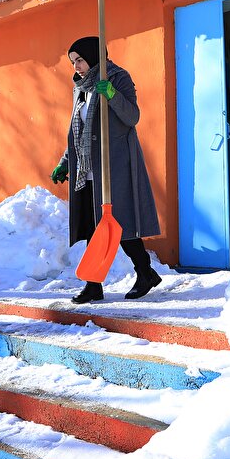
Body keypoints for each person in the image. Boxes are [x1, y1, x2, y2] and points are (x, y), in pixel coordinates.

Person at [51, 36, 162, 303]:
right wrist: (66, 161)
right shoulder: (81, 87)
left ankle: (145, 272)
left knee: (119, 222)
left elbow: (132, 117)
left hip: (115, 164)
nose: (76, 66)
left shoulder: (118, 77)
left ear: (93, 55)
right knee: (92, 225)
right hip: (87, 168)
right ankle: (93, 285)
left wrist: (111, 95)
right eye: (73, 61)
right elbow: (76, 132)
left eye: (79, 59)